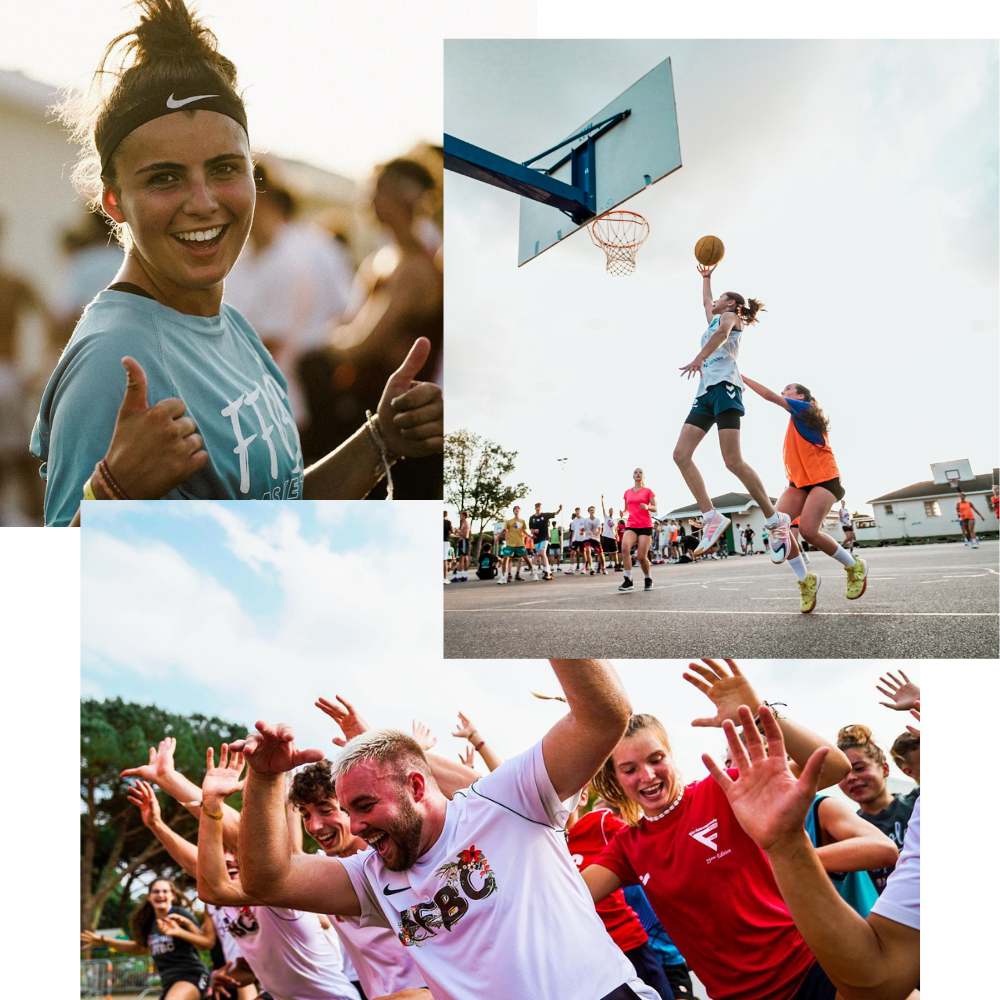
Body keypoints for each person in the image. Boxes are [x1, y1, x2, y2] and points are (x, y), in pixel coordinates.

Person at [33, 0, 442, 526]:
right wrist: (109, 497)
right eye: (164, 177)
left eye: (225, 168)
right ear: (114, 201)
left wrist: (381, 439)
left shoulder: (227, 324)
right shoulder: (113, 362)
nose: (203, 202)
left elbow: (277, 515)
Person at [234, 661, 663, 1000]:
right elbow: (267, 880)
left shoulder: (505, 801)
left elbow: (604, 716)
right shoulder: (372, 876)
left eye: (364, 806)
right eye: (348, 810)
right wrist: (265, 778)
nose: (357, 825)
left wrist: (552, 612)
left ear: (416, 787)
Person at [583, 659, 851, 1000]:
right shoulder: (627, 846)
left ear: (671, 755)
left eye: (655, 759)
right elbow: (570, 898)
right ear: (618, 779)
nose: (647, 776)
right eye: (629, 768)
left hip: (811, 971)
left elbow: (834, 767)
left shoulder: (726, 790)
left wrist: (759, 712)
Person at [702, 706, 919, 998]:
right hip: (822, 963)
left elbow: (881, 848)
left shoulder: (819, 808)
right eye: (732, 762)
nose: (743, 769)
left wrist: (791, 858)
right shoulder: (733, 835)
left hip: (876, 948)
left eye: (757, 754)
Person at [673, 263, 789, 559]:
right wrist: (707, 278)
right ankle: (710, 516)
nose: (714, 302)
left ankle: (775, 518)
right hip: (706, 393)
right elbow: (705, 303)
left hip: (726, 388)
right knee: (681, 455)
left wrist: (698, 358)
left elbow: (723, 334)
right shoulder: (713, 318)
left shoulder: (730, 317)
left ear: (733, 304)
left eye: (720, 298)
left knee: (733, 461)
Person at [290, 761, 430, 1000]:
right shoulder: (325, 869)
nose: (314, 825)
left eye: (326, 810)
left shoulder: (391, 859)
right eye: (305, 815)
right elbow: (287, 863)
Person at [741, 376, 868, 614]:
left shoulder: (805, 408)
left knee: (809, 532)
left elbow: (769, 396)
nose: (783, 391)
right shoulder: (796, 417)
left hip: (824, 480)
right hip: (799, 483)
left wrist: (741, 377)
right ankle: (805, 580)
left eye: (788, 389)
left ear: (801, 396)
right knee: (778, 525)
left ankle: (854, 566)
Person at [567, 793, 675, 998]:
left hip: (628, 943)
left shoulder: (598, 822)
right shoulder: (545, 842)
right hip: (588, 956)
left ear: (582, 797)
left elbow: (646, 841)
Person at [81, 877, 214, 999]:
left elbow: (205, 944)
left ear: (172, 896)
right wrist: (105, 941)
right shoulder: (149, 923)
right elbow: (140, 948)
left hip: (192, 975)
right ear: (149, 897)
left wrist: (179, 932)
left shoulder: (180, 915)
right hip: (168, 981)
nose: (160, 895)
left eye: (165, 891)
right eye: (156, 892)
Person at [836, 725, 916, 894]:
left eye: (859, 768)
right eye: (842, 774)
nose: (851, 778)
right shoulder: (843, 830)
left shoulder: (917, 804)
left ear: (885, 769)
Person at [618, 468, 656, 593]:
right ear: (633, 476)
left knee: (641, 557)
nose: (638, 474)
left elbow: (655, 508)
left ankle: (648, 578)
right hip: (631, 525)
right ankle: (628, 580)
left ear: (643, 476)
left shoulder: (648, 491)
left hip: (645, 526)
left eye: (640, 472)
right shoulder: (627, 492)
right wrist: (623, 513)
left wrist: (647, 507)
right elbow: (627, 509)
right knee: (624, 548)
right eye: (635, 472)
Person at [497, 504, 531, 584]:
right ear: (513, 511)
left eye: (518, 509)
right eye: (515, 509)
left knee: (523, 558)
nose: (516, 510)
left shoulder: (522, 521)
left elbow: (524, 531)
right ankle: (505, 576)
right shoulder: (508, 521)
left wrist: (530, 536)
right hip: (510, 543)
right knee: (506, 558)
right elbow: (504, 530)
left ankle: (526, 572)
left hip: (520, 543)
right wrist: (498, 536)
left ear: (519, 511)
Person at [530, 502, 562, 580]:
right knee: (537, 555)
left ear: (541, 508)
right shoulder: (532, 518)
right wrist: (534, 531)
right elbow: (531, 529)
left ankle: (548, 572)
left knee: (542, 552)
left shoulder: (545, 515)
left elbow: (555, 513)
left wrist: (559, 509)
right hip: (536, 539)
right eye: (537, 506)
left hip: (544, 538)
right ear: (535, 508)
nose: (538, 508)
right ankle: (538, 572)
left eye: (539, 507)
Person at [601, 497, 623, 571]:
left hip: (612, 537)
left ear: (613, 512)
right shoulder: (606, 517)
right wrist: (602, 500)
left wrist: (616, 535)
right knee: (602, 552)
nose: (611, 511)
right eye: (610, 510)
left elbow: (615, 529)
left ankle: (617, 566)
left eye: (612, 510)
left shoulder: (615, 520)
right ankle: (599, 567)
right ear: (608, 511)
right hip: (606, 537)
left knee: (615, 552)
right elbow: (603, 508)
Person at [454, 510, 472, 581]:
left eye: (461, 515)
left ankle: (460, 576)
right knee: (463, 559)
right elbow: (461, 534)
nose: (460, 516)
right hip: (462, 541)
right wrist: (457, 533)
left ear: (464, 516)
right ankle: (463, 576)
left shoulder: (466, 524)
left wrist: (458, 531)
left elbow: (465, 535)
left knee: (462, 559)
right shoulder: (463, 523)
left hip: (464, 541)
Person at [443, 510, 453, 585]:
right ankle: (444, 578)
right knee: (445, 560)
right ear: (446, 515)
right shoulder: (448, 522)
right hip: (445, 542)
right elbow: (451, 532)